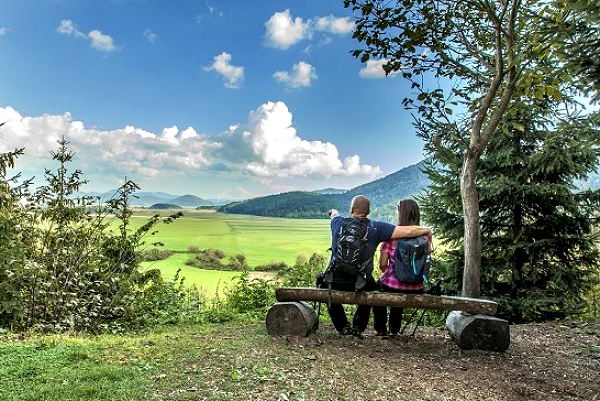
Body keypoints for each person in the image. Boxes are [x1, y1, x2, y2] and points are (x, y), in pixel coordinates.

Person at [321, 195, 431, 337]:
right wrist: (427, 230)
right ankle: (358, 327)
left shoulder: (337, 222)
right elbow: (409, 231)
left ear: (351, 209)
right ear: (368, 211)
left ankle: (343, 326)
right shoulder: (376, 227)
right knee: (372, 287)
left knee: (323, 285)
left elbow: (334, 215)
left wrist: (334, 212)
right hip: (361, 282)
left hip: (335, 280)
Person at [373, 198, 432, 336]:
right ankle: (394, 329)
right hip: (417, 287)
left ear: (401, 213)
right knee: (397, 288)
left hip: (393, 286)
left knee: (378, 289)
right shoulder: (426, 236)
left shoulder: (391, 236)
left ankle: (381, 329)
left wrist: (393, 274)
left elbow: (382, 264)